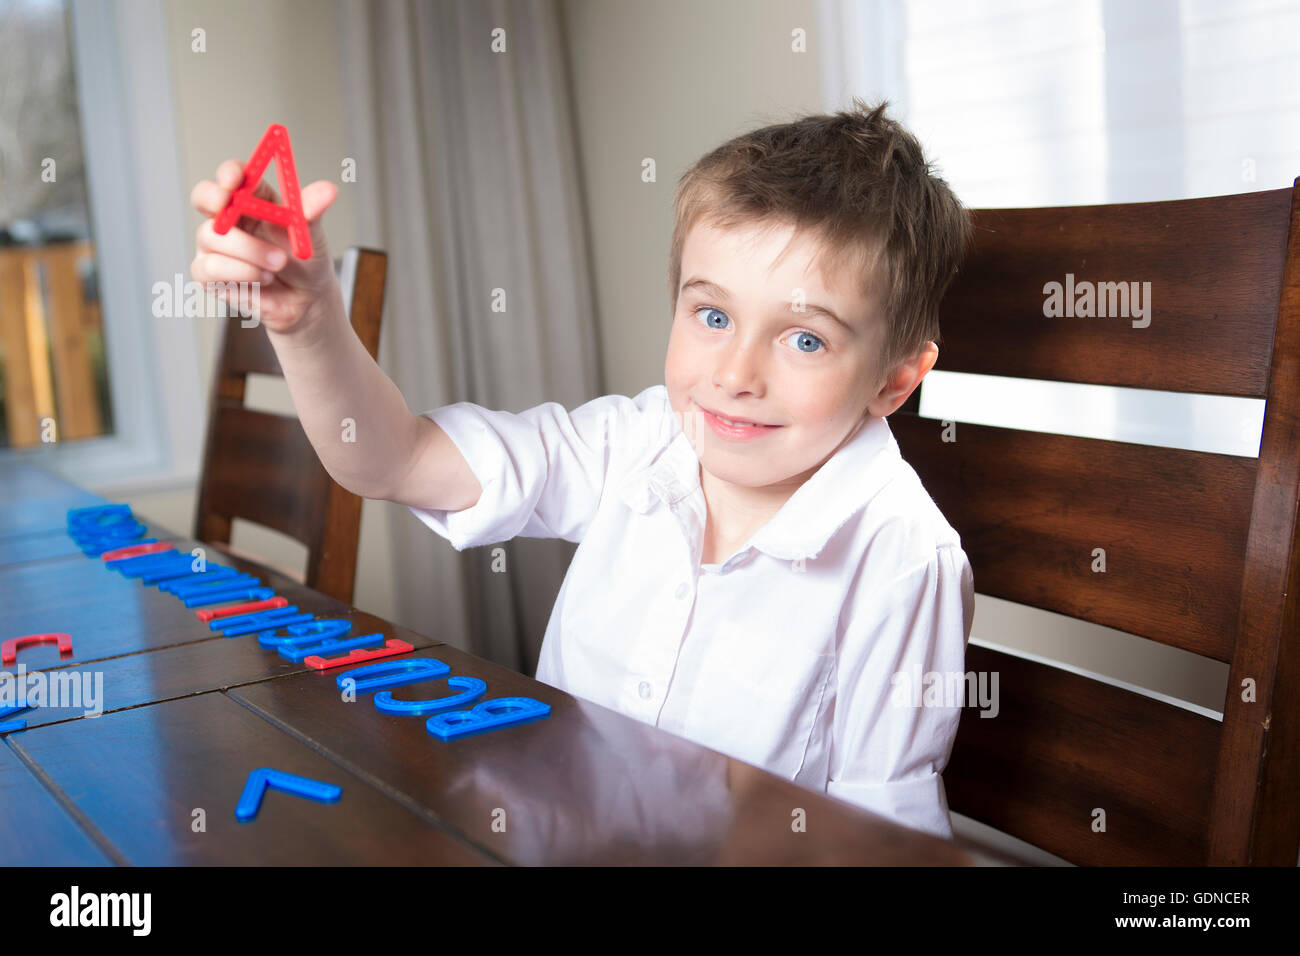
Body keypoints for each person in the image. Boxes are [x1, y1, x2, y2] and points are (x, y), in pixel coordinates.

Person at [189, 98, 975, 840]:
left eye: (804, 339)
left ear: (894, 381)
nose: (736, 374)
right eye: (712, 316)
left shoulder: (902, 557)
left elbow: (888, 833)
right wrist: (311, 318)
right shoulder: (634, 442)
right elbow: (396, 460)